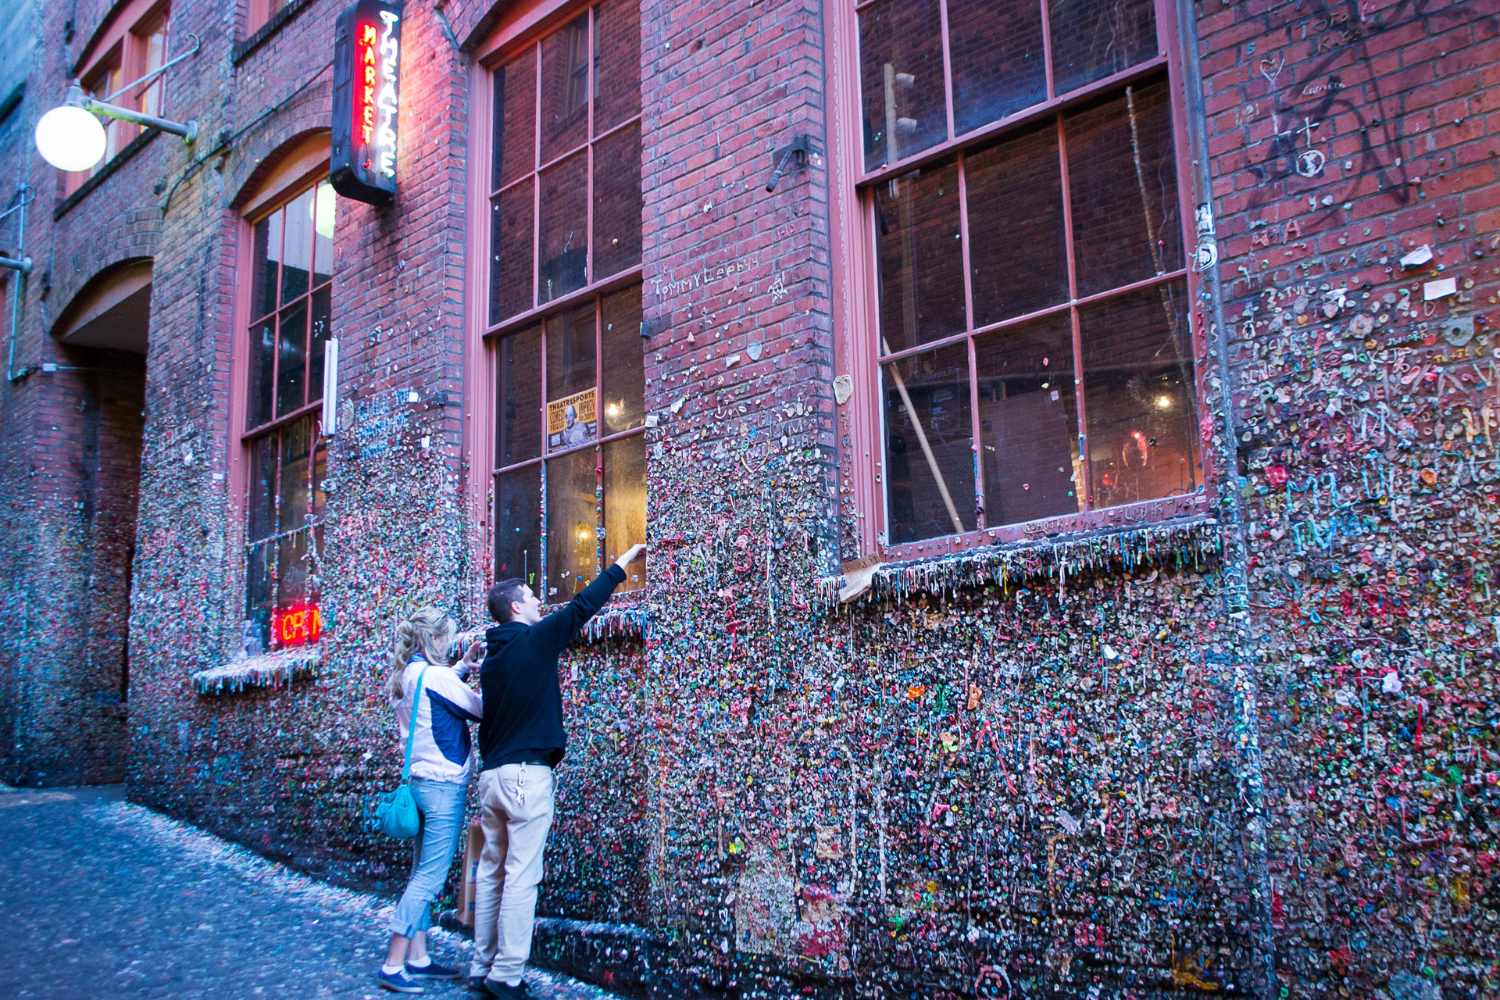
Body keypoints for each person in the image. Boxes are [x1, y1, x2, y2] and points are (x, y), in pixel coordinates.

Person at [468, 543, 646, 998]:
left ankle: (480, 965)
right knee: (522, 876)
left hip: (491, 778)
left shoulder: (491, 661)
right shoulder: (533, 639)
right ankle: (506, 976)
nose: (536, 603)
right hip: (527, 777)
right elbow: (582, 607)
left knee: (492, 872)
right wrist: (622, 564)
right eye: (530, 597)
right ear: (513, 608)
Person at [378, 607, 484, 994]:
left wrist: (462, 667)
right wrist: (485, 674)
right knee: (430, 876)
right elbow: (477, 709)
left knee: (418, 871)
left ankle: (418, 958)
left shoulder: (406, 676)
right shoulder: (436, 676)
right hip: (443, 788)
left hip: (419, 783)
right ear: (434, 639)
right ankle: (393, 963)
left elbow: (436, 694)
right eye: (446, 638)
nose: (448, 643)